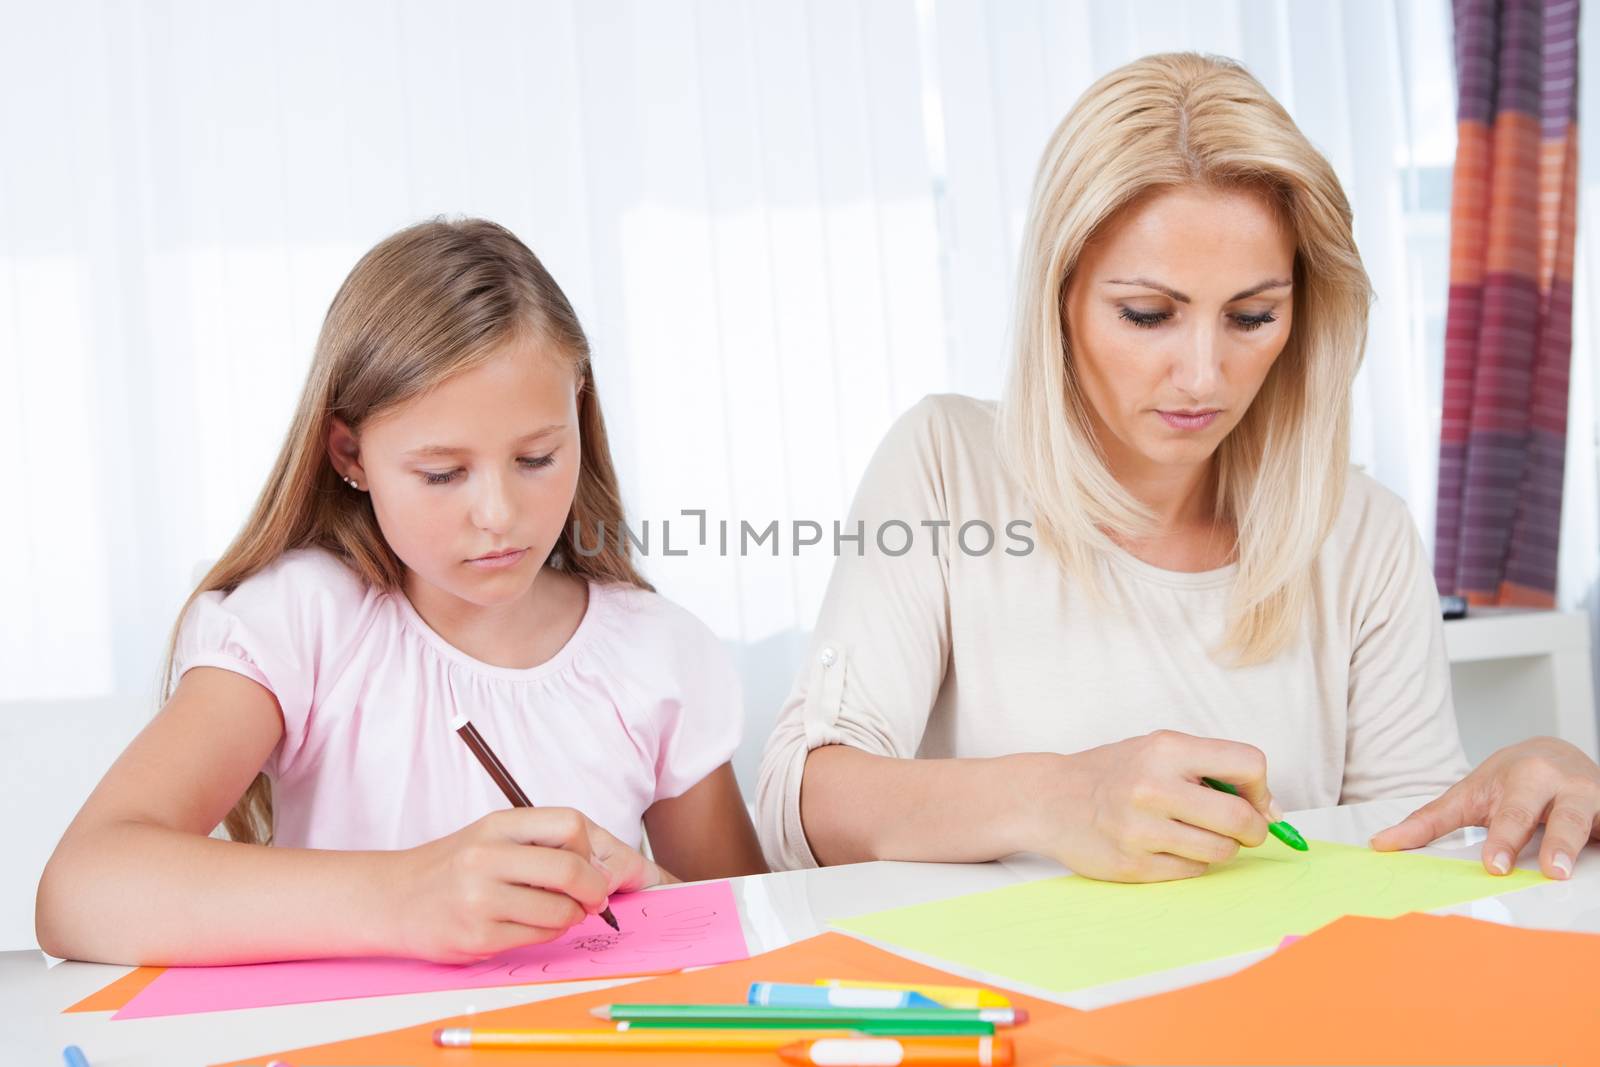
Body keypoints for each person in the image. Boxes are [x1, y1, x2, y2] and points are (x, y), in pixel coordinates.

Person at [755, 53, 1600, 884]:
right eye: (1148, 314)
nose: (1203, 375)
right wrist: (1057, 795)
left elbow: (1403, 854)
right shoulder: (946, 465)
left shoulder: (1361, 531)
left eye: (1252, 315)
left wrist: (1520, 784)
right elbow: (804, 806)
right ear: (1062, 298)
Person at [37, 218, 766, 966]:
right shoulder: (302, 623)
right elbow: (82, 887)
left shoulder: (657, 654)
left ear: (578, 412)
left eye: (538, 456)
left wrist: (662, 897)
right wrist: (408, 896)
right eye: (443, 473)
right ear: (351, 454)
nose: (499, 515)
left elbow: (759, 942)